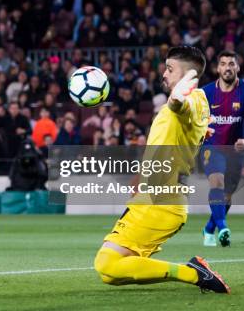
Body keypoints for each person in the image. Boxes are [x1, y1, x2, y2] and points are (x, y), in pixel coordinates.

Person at [94, 46, 230, 294]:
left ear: (188, 74)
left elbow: (181, 105)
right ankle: (193, 271)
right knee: (109, 272)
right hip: (152, 198)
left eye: (169, 69)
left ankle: (193, 273)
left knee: (106, 264)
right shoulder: (195, 105)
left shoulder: (192, 99)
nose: (164, 74)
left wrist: (177, 98)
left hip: (162, 202)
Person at [200, 51, 244, 247]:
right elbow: (195, 120)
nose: (227, 67)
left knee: (227, 194)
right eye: (224, 64)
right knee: (216, 183)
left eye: (231, 64)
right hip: (212, 147)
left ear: (237, 67)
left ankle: (210, 227)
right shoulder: (206, 93)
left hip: (236, 150)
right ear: (218, 68)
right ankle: (223, 227)